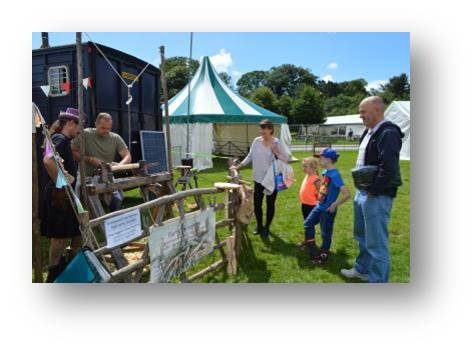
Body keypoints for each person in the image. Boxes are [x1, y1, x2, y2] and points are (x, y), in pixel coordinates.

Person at [341, 96, 404, 283]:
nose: (360, 116)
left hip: (376, 195)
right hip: (363, 193)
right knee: (362, 237)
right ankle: (362, 270)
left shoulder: (388, 132)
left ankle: (378, 282)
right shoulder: (369, 132)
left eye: (363, 112)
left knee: (376, 243)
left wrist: (373, 190)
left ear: (377, 110)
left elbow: (389, 168)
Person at [41, 108, 82, 282]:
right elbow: (48, 160)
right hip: (59, 196)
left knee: (71, 233)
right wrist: (62, 182)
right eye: (78, 128)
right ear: (71, 124)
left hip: (64, 194)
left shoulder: (62, 139)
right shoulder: (59, 138)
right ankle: (53, 275)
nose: (79, 132)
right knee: (59, 237)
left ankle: (64, 269)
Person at [233, 119, 290, 238]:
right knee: (257, 204)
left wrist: (276, 152)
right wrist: (240, 165)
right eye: (261, 128)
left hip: (272, 179)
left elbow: (286, 159)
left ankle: (267, 227)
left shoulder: (277, 143)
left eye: (264, 128)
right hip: (258, 179)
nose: (261, 131)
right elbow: (250, 156)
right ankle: (259, 226)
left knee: (270, 204)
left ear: (270, 129)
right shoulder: (256, 141)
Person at [72, 112, 131, 211]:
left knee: (118, 200)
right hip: (87, 177)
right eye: (103, 128)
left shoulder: (115, 138)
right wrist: (89, 159)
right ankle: (97, 224)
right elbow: (72, 152)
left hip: (107, 177)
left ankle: (115, 220)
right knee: (91, 207)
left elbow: (127, 156)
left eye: (109, 128)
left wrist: (119, 166)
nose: (106, 131)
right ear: (96, 124)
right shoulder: (86, 134)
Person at [303, 148, 350, 264]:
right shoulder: (326, 173)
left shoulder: (335, 175)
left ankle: (324, 251)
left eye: (321, 158)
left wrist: (334, 204)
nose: (319, 160)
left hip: (328, 210)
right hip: (319, 206)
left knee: (325, 232)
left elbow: (347, 194)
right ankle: (312, 247)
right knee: (307, 224)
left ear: (328, 160)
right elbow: (325, 189)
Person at [298, 157, 321, 247]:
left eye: (305, 166)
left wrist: (319, 202)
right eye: (303, 166)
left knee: (309, 224)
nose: (303, 168)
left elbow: (320, 192)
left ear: (313, 167)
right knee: (307, 224)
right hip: (305, 204)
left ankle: (310, 242)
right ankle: (308, 241)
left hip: (311, 206)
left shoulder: (316, 178)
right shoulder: (308, 175)